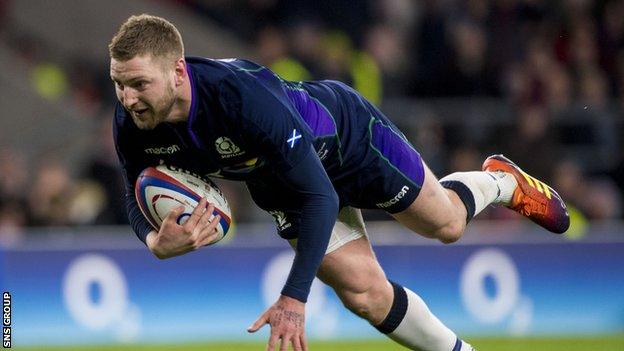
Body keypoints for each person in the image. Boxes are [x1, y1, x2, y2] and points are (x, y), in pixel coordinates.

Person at [109, 14, 569, 351]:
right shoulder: (131, 121)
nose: (128, 98)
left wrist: (294, 297)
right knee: (364, 296)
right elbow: (133, 186)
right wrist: (153, 240)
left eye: (139, 84)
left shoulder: (239, 97)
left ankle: (500, 181)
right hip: (282, 183)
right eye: (119, 84)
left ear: (177, 71)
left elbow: (321, 195)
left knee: (446, 226)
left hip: (349, 142)